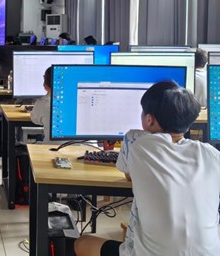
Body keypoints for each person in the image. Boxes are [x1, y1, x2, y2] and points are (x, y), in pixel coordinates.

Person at [74, 81, 220, 256]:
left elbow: (129, 176)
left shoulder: (136, 142)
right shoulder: (212, 154)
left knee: (82, 243)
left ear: (149, 120)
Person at [29, 67, 53, 142]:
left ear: (45, 85)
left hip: (51, 148)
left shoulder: (43, 103)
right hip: (81, 148)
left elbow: (34, 119)